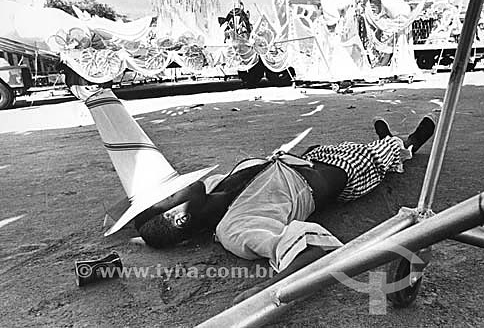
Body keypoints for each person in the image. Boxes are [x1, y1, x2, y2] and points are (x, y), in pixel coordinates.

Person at [135, 113, 436, 298]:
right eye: (170, 199)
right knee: (377, 157)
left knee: (352, 146)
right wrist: (268, 290)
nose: (173, 190)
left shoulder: (212, 187)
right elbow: (306, 248)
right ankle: (407, 144)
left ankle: (391, 142)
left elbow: (147, 225)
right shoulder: (236, 229)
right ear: (181, 219)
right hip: (341, 175)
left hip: (310, 158)